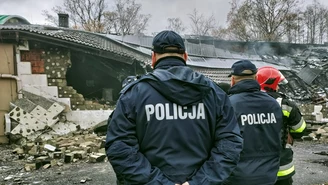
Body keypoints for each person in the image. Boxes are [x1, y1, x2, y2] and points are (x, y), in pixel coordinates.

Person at [105, 30, 243, 185]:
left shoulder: (133, 94)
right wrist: (199, 181)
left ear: (153, 58)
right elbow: (230, 144)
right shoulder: (214, 93)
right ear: (185, 56)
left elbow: (119, 147)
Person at [225, 60, 283, 185]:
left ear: (233, 80)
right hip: (269, 175)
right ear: (256, 78)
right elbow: (279, 138)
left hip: (237, 176)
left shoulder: (228, 105)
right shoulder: (273, 104)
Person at [256, 66, 307, 185]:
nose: (279, 86)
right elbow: (300, 129)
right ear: (271, 84)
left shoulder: (247, 102)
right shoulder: (285, 105)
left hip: (254, 168)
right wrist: (288, 132)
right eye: (278, 83)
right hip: (281, 168)